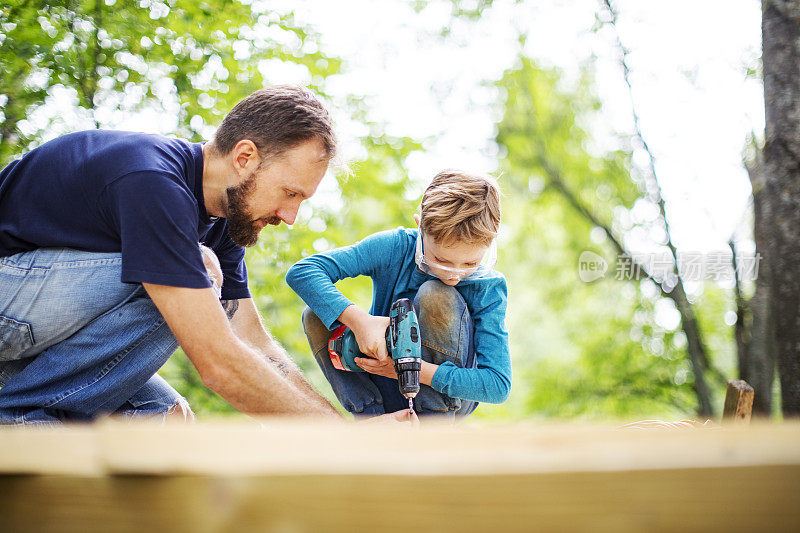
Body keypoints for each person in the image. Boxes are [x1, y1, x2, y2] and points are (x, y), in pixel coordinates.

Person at [0, 85, 411, 425]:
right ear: (244, 157)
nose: (290, 216)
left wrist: (341, 426)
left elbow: (250, 340)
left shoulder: (224, 218)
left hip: (35, 323)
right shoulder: (152, 181)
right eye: (290, 193)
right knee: (198, 268)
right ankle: (15, 418)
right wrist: (341, 445)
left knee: (164, 418)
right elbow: (218, 361)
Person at [286, 170, 511, 420]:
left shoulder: (488, 287)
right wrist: (360, 322)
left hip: (444, 396)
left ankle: (432, 424)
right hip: (380, 381)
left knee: (437, 293)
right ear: (420, 227)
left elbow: (497, 385)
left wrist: (410, 370)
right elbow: (303, 271)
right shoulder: (395, 248)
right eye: (440, 260)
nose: (454, 275)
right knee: (316, 314)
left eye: (470, 264)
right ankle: (371, 419)